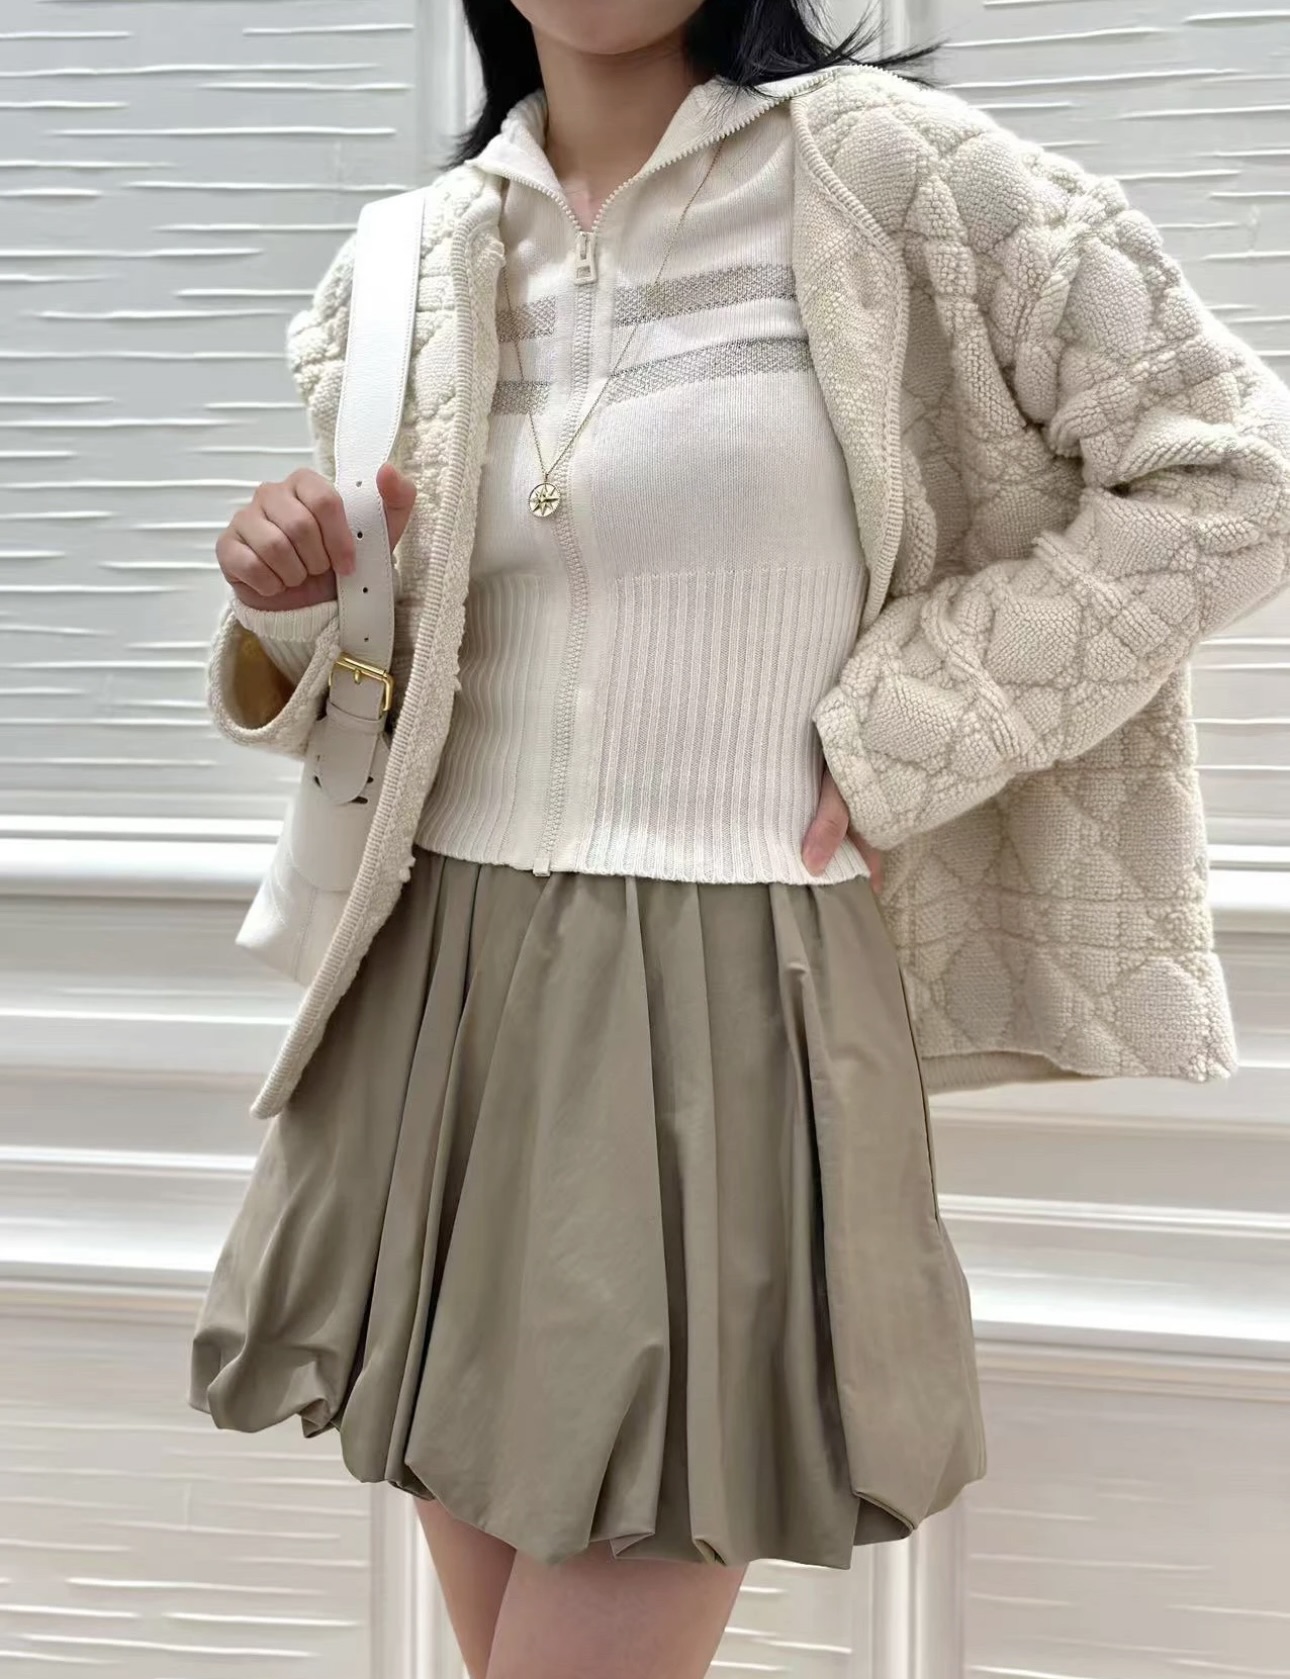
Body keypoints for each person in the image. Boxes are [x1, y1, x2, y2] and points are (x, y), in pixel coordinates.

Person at [188, 1, 1290, 1675]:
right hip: (434, 986)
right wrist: (286, 605)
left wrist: (920, 718)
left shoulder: (896, 178)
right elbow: (393, 665)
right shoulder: (407, 261)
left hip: (720, 978)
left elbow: (1230, 478)